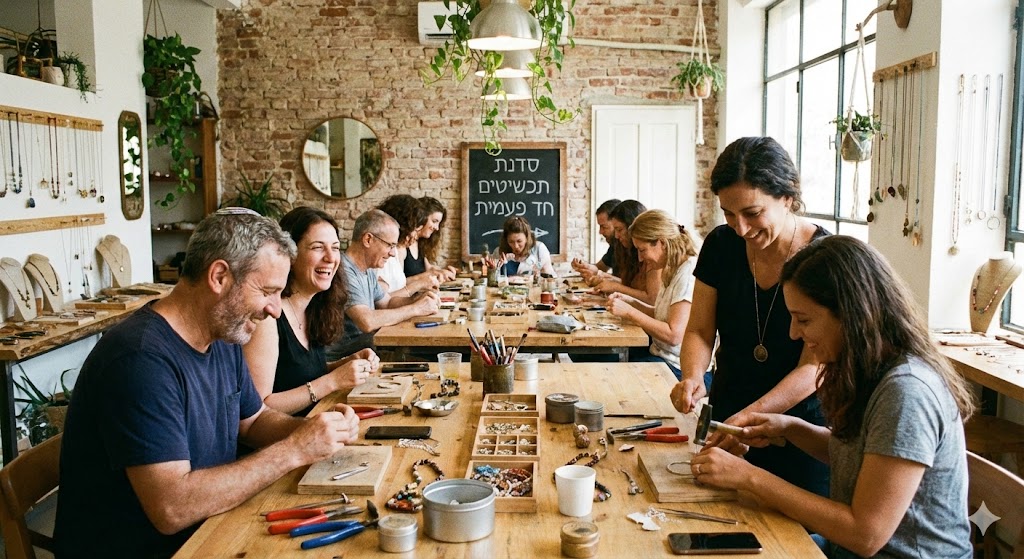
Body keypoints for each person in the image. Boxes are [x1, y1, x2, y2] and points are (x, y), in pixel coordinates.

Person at [54, 208, 361, 558]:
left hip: (211, 527)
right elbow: (172, 509)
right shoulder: (139, 360)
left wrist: (314, 432)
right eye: (268, 292)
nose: (275, 310)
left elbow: (254, 421)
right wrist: (293, 450)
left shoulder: (223, 336)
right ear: (219, 276)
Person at [690, 235, 975, 559]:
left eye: (804, 320)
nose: (794, 334)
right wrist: (791, 428)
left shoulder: (906, 392)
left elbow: (865, 534)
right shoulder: (873, 369)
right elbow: (863, 457)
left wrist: (750, 477)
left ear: (851, 313)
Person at [670, 136, 830, 497]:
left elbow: (814, 367)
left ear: (787, 197)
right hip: (730, 413)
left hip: (798, 427)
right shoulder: (721, 244)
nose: (740, 228)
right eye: (728, 213)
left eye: (753, 213)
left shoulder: (824, 258)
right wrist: (694, 377)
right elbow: (698, 329)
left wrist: (750, 416)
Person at [243, 207, 380, 416]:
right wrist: (333, 381)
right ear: (290, 254)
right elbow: (259, 409)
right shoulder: (267, 317)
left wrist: (344, 365)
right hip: (285, 441)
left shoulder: (315, 307)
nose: (330, 258)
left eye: (335, 248)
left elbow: (297, 375)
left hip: (317, 426)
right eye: (317, 247)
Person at [325, 209, 439, 360]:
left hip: (369, 352)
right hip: (346, 360)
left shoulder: (368, 269)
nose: (392, 253)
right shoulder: (343, 270)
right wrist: (416, 308)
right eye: (390, 245)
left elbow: (387, 302)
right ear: (368, 239)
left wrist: (418, 299)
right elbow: (367, 321)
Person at [606, 209, 698, 380]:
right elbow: (661, 313)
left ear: (662, 243)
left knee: (610, 377)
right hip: (659, 356)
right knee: (603, 367)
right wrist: (631, 302)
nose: (640, 258)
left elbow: (673, 335)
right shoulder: (672, 267)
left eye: (642, 250)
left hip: (679, 368)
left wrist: (629, 312)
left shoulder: (688, 273)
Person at [590, 200, 662, 305]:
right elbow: (633, 286)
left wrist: (616, 287)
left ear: (632, 228)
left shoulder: (650, 255)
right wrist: (609, 280)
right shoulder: (626, 250)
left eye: (619, 230)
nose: (616, 236)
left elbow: (652, 300)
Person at [376, 195, 444, 297]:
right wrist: (419, 285)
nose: (414, 235)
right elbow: (382, 303)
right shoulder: (381, 258)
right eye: (415, 229)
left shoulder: (393, 253)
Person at [485, 216, 556, 277]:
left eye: (519, 241)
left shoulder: (539, 249)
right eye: (511, 242)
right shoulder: (499, 252)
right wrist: (493, 270)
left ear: (527, 238)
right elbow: (492, 281)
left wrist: (540, 274)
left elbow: (550, 278)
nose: (516, 246)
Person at [408, 196, 458, 279]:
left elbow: (429, 269)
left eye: (438, 223)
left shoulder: (419, 242)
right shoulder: (403, 244)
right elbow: (398, 283)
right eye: (434, 221)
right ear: (421, 217)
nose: (437, 228)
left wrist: (444, 272)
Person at [572, 198, 620, 276]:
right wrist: (584, 266)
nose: (600, 232)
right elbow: (600, 267)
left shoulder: (634, 249)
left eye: (604, 227)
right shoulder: (615, 246)